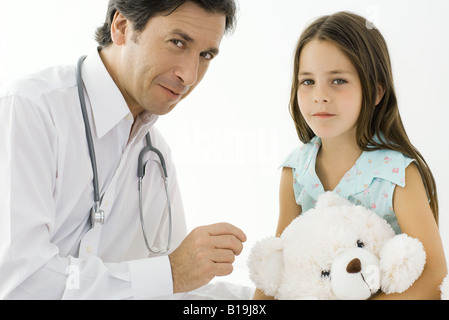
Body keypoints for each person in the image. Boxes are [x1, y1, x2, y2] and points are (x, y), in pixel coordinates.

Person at [0, 0, 247, 299]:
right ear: (121, 27)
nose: (190, 76)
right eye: (178, 42)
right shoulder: (31, 109)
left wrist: (264, 296)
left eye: (206, 55)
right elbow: (21, 282)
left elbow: (177, 291)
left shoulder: (156, 156)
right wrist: (169, 273)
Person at [253, 11, 447, 300]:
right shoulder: (295, 171)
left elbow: (433, 273)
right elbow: (281, 265)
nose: (320, 95)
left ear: (376, 90)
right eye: (307, 81)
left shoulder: (396, 173)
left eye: (338, 81)